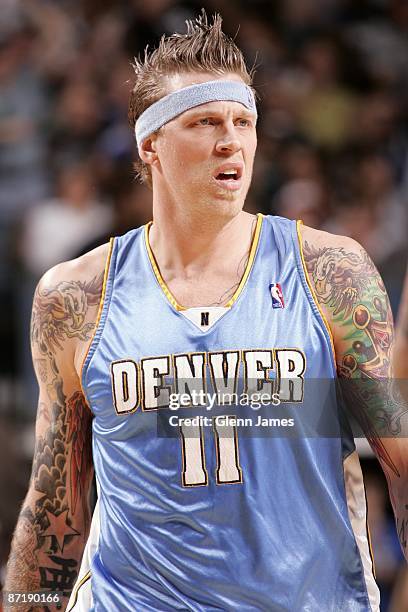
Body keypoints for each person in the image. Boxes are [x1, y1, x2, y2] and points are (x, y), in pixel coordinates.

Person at [5, 12, 407, 612]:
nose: (232, 140)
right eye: (205, 122)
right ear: (151, 145)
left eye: (244, 122)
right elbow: (55, 508)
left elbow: (401, 464)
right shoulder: (77, 296)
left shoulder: (329, 272)